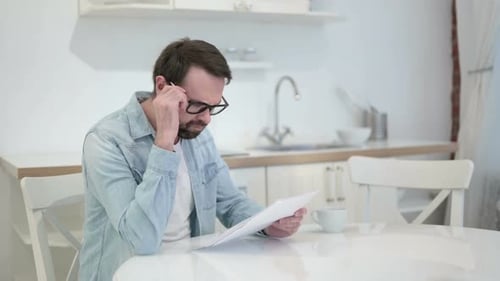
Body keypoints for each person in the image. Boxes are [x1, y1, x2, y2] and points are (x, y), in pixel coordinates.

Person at [79, 38, 307, 281]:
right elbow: (141, 241)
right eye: (198, 105)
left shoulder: (197, 133)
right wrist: (164, 142)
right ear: (162, 86)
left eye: (213, 107)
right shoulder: (106, 141)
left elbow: (229, 202)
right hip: (128, 273)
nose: (207, 119)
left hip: (191, 269)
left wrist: (268, 223)